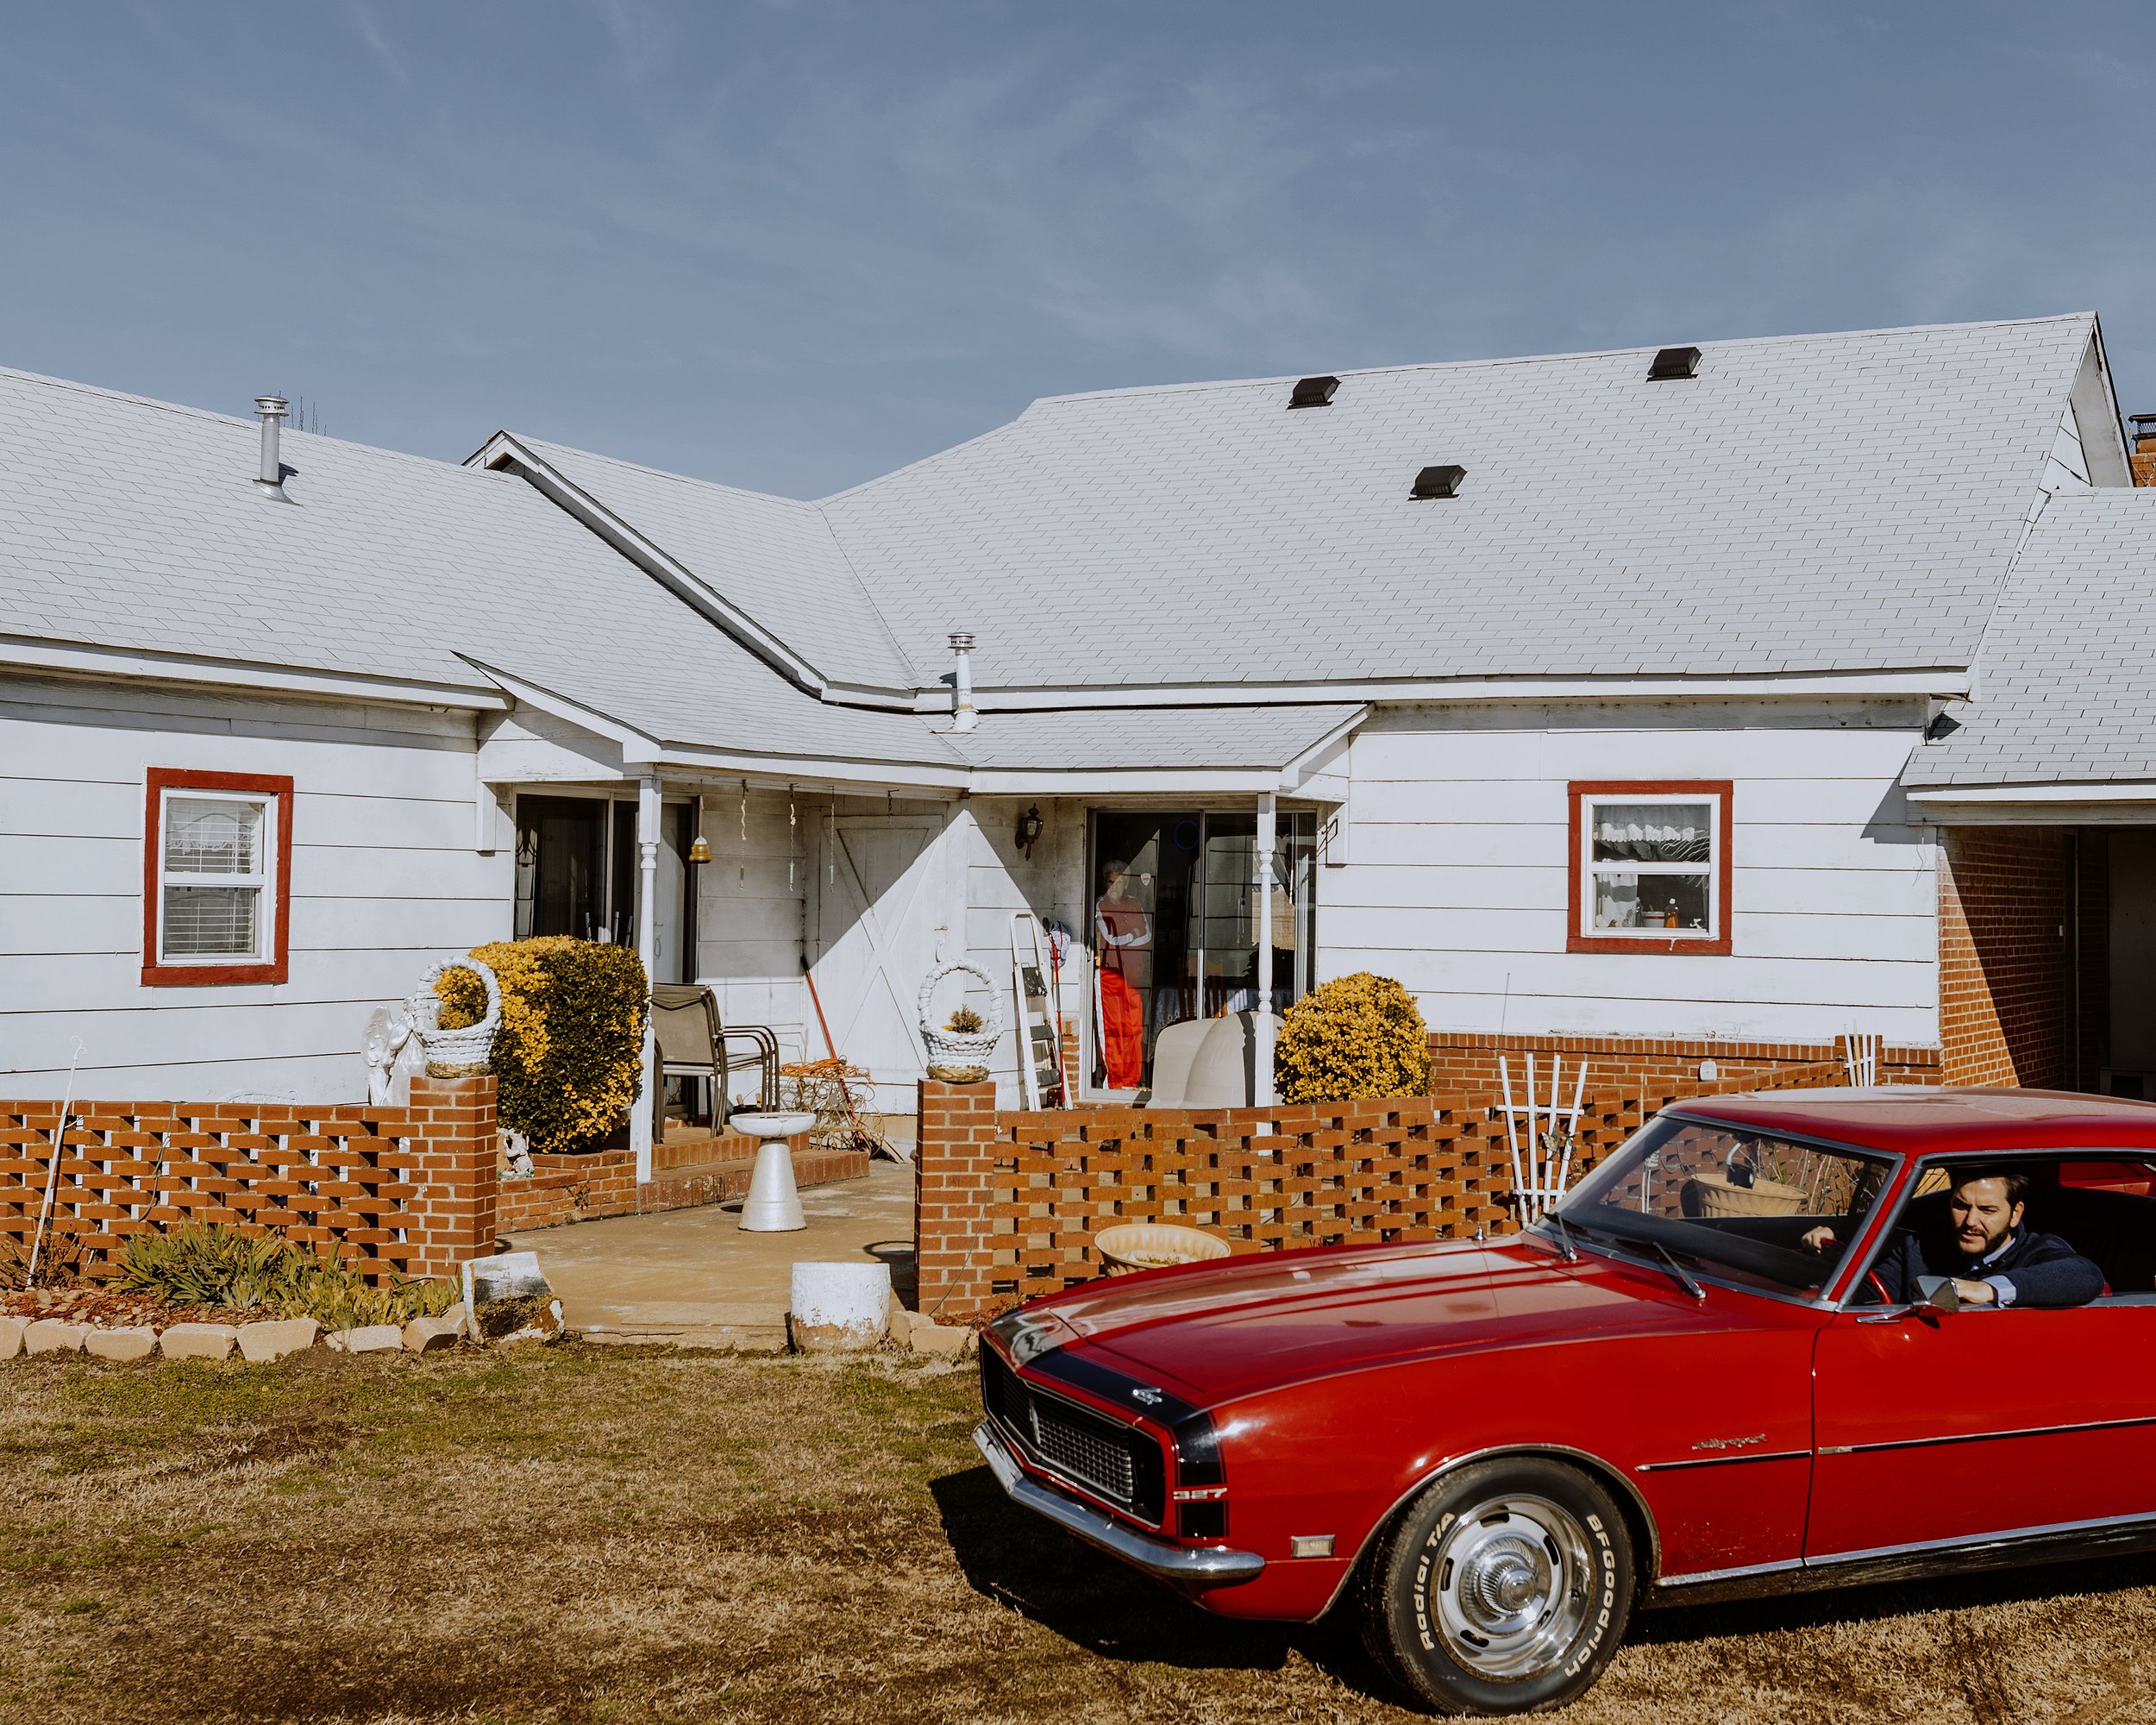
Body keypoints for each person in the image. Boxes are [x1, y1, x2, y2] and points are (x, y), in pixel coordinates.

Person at [1807, 1165, 2103, 1308]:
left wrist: (1986, 1290)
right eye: (1961, 1206)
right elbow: (1875, 1295)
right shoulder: (1926, 1246)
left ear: (2015, 1214)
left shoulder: (2037, 1250)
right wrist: (1835, 1262)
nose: (1971, 1221)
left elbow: (2085, 1276)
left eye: (1987, 1210)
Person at [1094, 859, 1150, 1090]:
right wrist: (1133, 934)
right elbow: (1111, 940)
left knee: (1134, 1030)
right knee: (1114, 1029)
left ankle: (1132, 1079)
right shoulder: (1100, 905)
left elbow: (1148, 935)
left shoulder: (1135, 903)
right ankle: (1116, 1081)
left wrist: (1128, 936)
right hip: (1111, 976)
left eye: (1119, 882)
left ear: (1126, 883)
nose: (1114, 887)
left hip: (1134, 977)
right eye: (1110, 882)